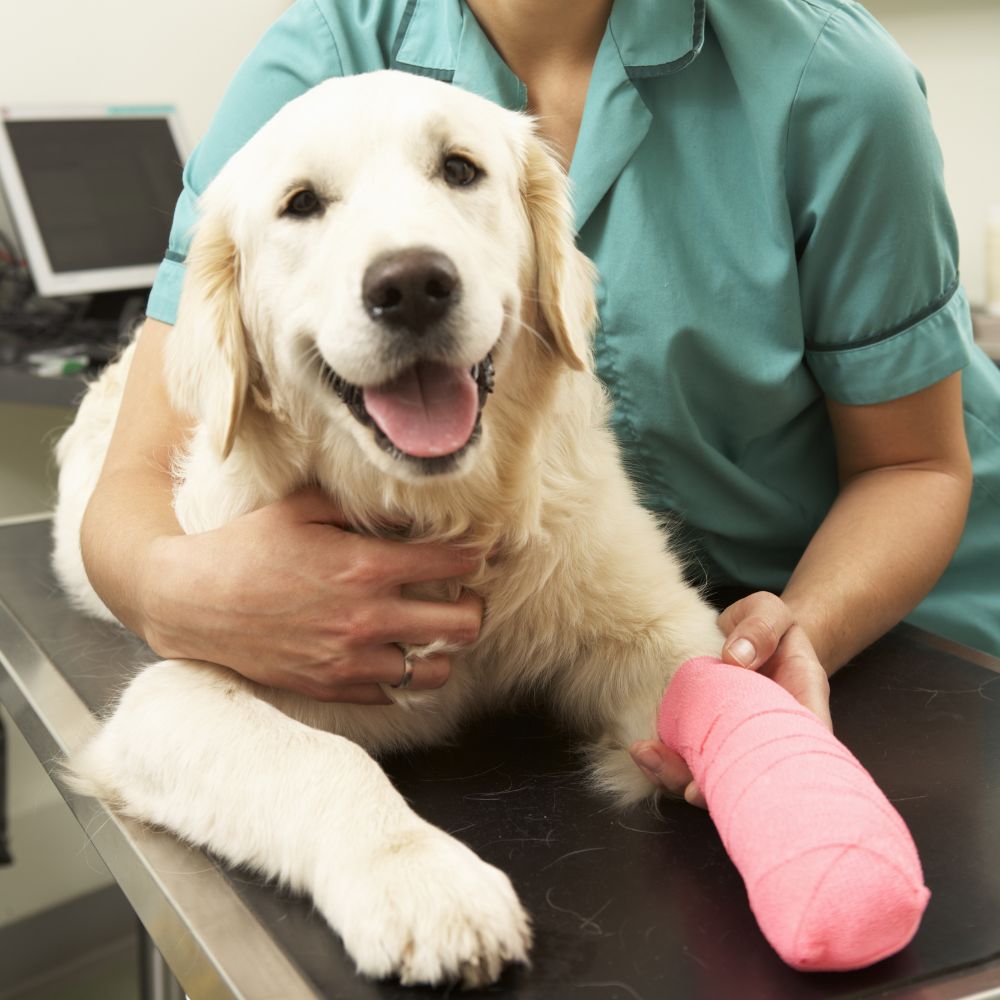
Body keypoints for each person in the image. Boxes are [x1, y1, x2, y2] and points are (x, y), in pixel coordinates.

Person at [79, 0, 1000, 807]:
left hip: (909, 644)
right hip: (634, 640)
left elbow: (913, 464)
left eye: (457, 172)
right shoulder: (320, 52)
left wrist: (801, 635)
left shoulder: (833, 79)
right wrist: (192, 594)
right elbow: (138, 472)